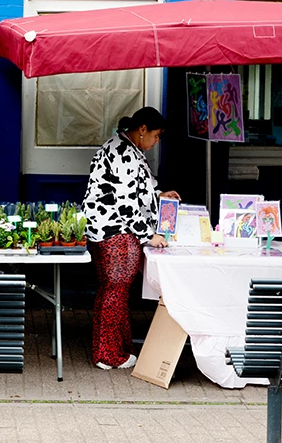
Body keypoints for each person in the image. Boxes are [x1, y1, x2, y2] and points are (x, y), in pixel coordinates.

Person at [83, 106, 180, 371]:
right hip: (116, 231)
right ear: (142, 130)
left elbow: (136, 188)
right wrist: (150, 235)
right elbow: (126, 204)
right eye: (156, 135)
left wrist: (159, 194)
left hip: (107, 229)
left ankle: (117, 350)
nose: (157, 141)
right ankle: (109, 355)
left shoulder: (122, 147)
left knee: (111, 291)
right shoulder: (124, 153)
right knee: (115, 290)